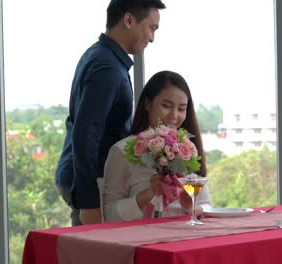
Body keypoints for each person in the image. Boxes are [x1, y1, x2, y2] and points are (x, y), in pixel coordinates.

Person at [55, 0, 167, 226]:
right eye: (151, 28)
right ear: (128, 20)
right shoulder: (107, 66)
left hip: (83, 175)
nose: (152, 38)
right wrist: (89, 203)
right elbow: (86, 133)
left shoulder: (101, 56)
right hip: (90, 182)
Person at [102, 70, 212, 223]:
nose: (174, 115)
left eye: (181, 109)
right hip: (140, 240)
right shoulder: (122, 150)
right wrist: (148, 194)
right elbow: (109, 215)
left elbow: (208, 207)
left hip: (186, 237)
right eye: (167, 106)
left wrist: (190, 207)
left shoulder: (186, 149)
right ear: (148, 103)